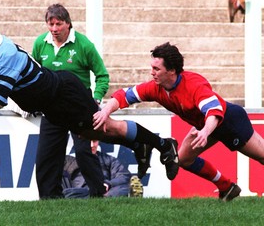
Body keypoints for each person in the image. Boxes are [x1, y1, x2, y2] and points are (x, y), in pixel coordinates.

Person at [0, 7, 179, 198]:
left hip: (66, 96)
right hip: (50, 107)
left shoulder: (4, 55)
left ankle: (161, 144)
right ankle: (52, 208)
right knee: (45, 161)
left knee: (106, 129)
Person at [94, 42, 264, 202]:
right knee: (183, 160)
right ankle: (226, 187)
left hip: (229, 122)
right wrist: (105, 112)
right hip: (204, 127)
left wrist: (205, 131)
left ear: (172, 71)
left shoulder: (194, 85)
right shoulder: (156, 87)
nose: (152, 72)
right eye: (151, 68)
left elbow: (214, 111)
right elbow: (124, 95)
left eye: (156, 69)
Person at [31, 3, 111, 199]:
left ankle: (98, 194)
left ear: (68, 24)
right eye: (51, 24)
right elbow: (34, 74)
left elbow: (102, 76)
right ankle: (50, 199)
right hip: (52, 106)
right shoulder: (40, 43)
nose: (54, 29)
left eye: (58, 24)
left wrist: (96, 99)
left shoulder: (84, 45)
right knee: (46, 155)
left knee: (84, 152)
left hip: (79, 105)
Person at [62, 140, 143, 198]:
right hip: (81, 192)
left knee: (126, 187)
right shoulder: (69, 161)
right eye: (88, 142)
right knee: (66, 192)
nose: (92, 145)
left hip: (105, 191)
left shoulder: (109, 160)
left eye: (94, 141)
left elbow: (123, 176)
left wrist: (109, 183)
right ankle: (100, 197)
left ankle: (101, 197)